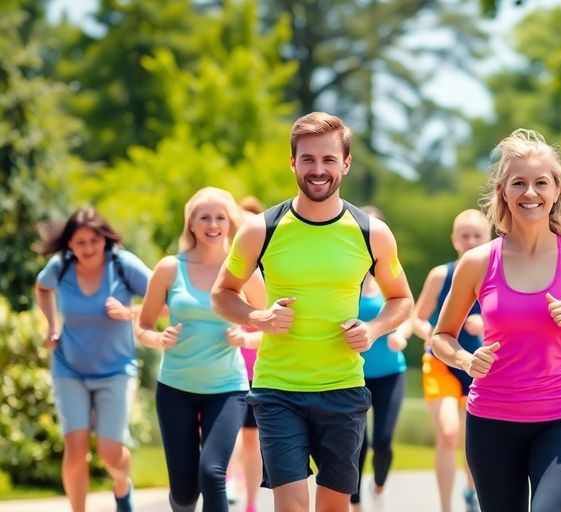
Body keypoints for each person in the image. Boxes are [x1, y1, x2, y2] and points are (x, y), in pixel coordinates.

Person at [211, 112, 414, 512]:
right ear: (293, 162)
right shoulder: (260, 229)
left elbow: (401, 299)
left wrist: (373, 330)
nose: (318, 170)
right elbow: (222, 294)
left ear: (346, 163)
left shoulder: (371, 232)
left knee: (334, 507)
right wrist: (257, 317)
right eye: (308, 159)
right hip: (278, 391)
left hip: (342, 389)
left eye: (328, 160)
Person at [431, 129, 561, 512]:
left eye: (541, 183)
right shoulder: (478, 262)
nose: (530, 193)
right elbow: (442, 336)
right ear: (503, 191)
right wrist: (465, 361)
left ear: (556, 190)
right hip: (491, 421)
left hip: (559, 420)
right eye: (518, 183)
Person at [136, 187, 263, 512]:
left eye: (220, 217)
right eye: (204, 217)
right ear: (190, 223)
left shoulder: (242, 270)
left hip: (227, 388)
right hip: (175, 387)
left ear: (230, 223)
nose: (213, 223)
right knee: (185, 494)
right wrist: (157, 339)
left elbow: (273, 325)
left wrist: (247, 339)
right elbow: (144, 324)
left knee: (212, 472)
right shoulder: (168, 268)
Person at [34, 207, 152, 512]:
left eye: (94, 241)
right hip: (69, 368)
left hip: (116, 370)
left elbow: (165, 299)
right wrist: (51, 326)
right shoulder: (59, 267)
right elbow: (42, 287)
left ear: (105, 238)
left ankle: (122, 486)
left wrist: (130, 313)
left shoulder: (123, 264)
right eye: (80, 242)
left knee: (110, 453)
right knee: (74, 450)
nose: (87, 248)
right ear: (69, 244)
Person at [390, 208, 491, 512]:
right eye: (465, 236)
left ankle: (472, 495)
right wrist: (429, 332)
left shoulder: (499, 274)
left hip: (481, 365)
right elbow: (416, 317)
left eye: (477, 236)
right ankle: (446, 507)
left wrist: (484, 326)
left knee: (475, 440)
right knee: (448, 434)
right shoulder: (441, 274)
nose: (471, 241)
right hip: (441, 363)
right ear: (454, 239)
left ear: (489, 238)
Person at [350, 205, 408, 511]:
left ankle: (381, 482)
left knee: (382, 441)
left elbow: (406, 307)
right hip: (353, 373)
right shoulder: (345, 275)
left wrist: (402, 333)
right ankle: (356, 502)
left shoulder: (390, 271)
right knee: (356, 442)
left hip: (390, 373)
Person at [226, 195, 265, 512]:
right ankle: (227, 478)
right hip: (223, 367)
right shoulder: (222, 267)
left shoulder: (265, 267)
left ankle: (251, 503)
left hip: (258, 366)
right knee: (228, 434)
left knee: (252, 439)